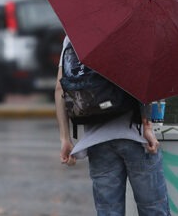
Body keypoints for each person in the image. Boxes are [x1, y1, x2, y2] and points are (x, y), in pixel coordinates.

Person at [55, 36, 171, 216]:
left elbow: (60, 88)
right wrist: (147, 126)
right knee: (153, 210)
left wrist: (65, 138)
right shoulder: (131, 29)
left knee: (108, 212)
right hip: (136, 137)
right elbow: (142, 79)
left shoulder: (74, 34)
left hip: (97, 140)